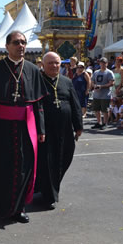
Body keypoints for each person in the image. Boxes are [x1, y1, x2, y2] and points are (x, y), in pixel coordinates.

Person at [0, 30, 47, 223]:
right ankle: (1, 203)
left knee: (24, 166)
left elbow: (38, 104)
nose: (20, 46)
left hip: (26, 128)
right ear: (7, 46)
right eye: (16, 42)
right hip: (0, 129)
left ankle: (20, 207)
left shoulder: (32, 70)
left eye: (23, 42)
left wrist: (41, 130)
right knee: (1, 166)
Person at [35, 52, 82, 209]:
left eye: (57, 63)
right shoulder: (37, 81)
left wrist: (79, 126)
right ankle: (49, 195)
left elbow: (75, 104)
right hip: (46, 130)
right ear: (43, 64)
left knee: (65, 157)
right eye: (50, 63)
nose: (54, 66)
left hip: (65, 129)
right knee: (48, 162)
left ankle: (49, 186)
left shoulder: (67, 81)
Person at [91, 57, 115, 130]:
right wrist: (94, 86)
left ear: (107, 64)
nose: (102, 64)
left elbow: (112, 83)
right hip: (96, 94)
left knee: (105, 110)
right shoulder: (96, 72)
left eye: (104, 63)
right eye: (101, 62)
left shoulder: (109, 72)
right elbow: (92, 82)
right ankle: (99, 122)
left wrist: (102, 86)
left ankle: (105, 123)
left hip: (105, 94)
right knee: (96, 109)